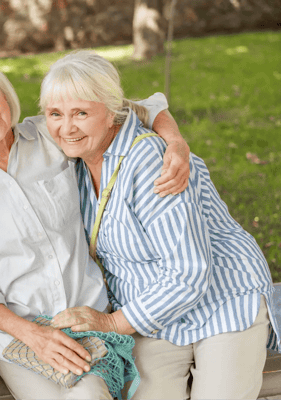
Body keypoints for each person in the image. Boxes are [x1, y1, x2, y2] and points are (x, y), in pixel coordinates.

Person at [0, 53, 190, 399]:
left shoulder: (53, 132)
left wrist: (175, 142)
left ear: (4, 92)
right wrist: (33, 335)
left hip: (89, 319)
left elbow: (142, 108)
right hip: (18, 336)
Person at [41, 50, 280, 399]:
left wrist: (111, 323)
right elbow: (150, 103)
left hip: (222, 297)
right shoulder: (76, 160)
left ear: (111, 113)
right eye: (55, 114)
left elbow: (190, 270)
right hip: (154, 312)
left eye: (81, 113)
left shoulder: (150, 159)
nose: (67, 127)